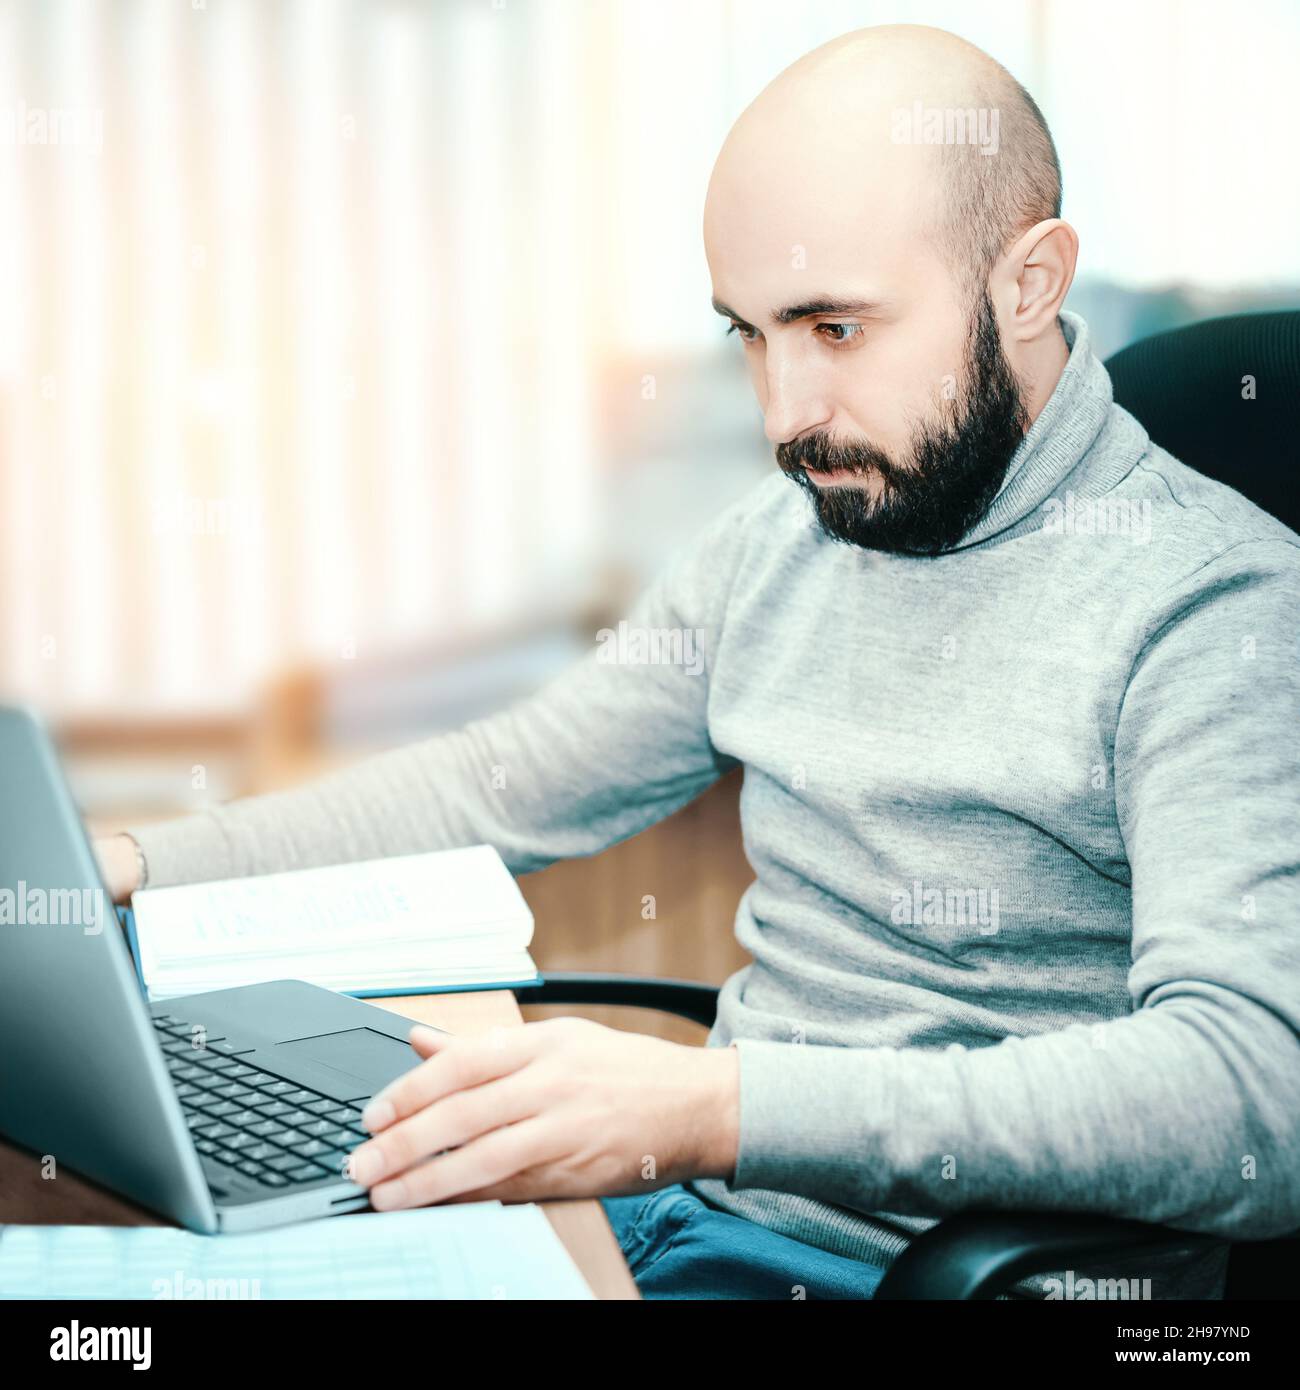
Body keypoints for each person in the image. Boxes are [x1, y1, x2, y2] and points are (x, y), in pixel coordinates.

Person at [97, 24, 1300, 1300]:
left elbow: (1250, 1102)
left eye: (835, 328)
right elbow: (494, 787)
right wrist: (128, 868)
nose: (784, 417)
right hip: (673, 1220)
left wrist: (717, 1107)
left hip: (903, 1279)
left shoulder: (1212, 606)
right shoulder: (785, 542)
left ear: (1028, 283)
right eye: (749, 333)